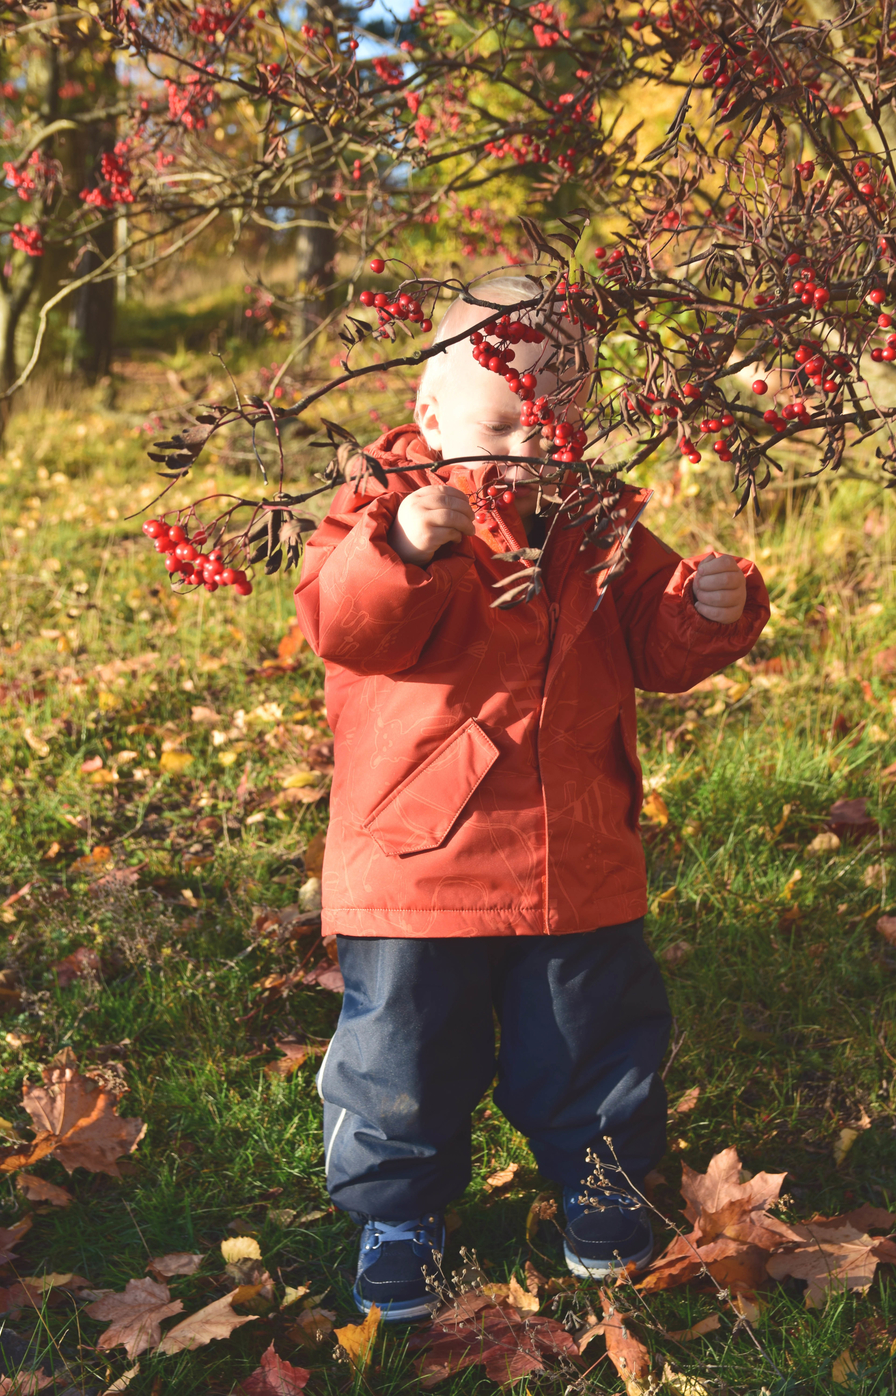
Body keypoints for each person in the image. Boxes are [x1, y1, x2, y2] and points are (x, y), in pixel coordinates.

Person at [294, 275, 770, 1320]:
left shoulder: (594, 520)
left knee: (595, 1037)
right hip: (423, 858)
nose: (531, 442)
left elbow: (649, 635)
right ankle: (400, 1212)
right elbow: (342, 623)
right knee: (404, 1052)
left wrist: (701, 606)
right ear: (429, 412)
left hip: (577, 850)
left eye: (557, 417)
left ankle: (599, 1183)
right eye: (504, 418)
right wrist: (406, 548)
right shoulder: (387, 514)